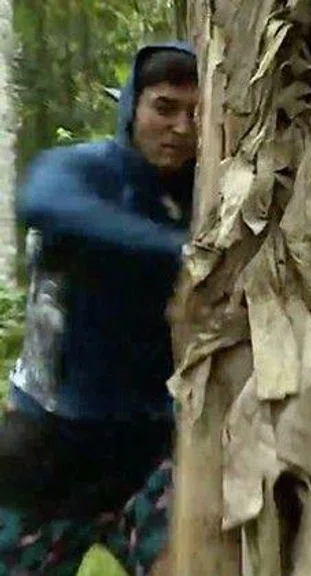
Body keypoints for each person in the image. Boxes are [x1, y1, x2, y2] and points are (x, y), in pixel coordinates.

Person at [0, 42, 197, 575]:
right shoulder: (80, 172)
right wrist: (181, 250)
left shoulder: (210, 197)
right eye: (164, 107)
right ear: (132, 105)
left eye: (195, 113)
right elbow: (44, 204)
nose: (181, 127)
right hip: (49, 448)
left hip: (149, 456)